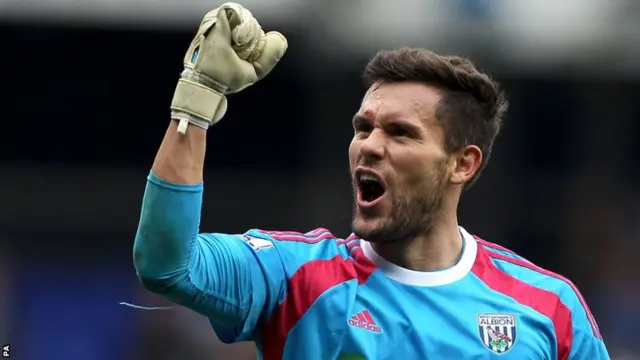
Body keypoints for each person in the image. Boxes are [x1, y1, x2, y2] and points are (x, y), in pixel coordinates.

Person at [132, 3, 610, 359]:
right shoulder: (297, 276)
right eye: (363, 128)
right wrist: (197, 101)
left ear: (462, 164)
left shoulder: (549, 308)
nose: (370, 146)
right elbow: (167, 265)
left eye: (400, 133)